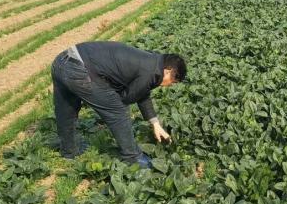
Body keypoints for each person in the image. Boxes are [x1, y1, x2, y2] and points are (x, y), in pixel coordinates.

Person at [50, 41, 186, 168]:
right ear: (168, 71)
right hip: (81, 71)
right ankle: (133, 158)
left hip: (63, 61)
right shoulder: (151, 72)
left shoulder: (151, 61)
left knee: (66, 110)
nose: (169, 85)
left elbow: (143, 92)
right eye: (173, 81)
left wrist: (155, 123)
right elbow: (127, 98)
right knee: (119, 112)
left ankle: (69, 150)